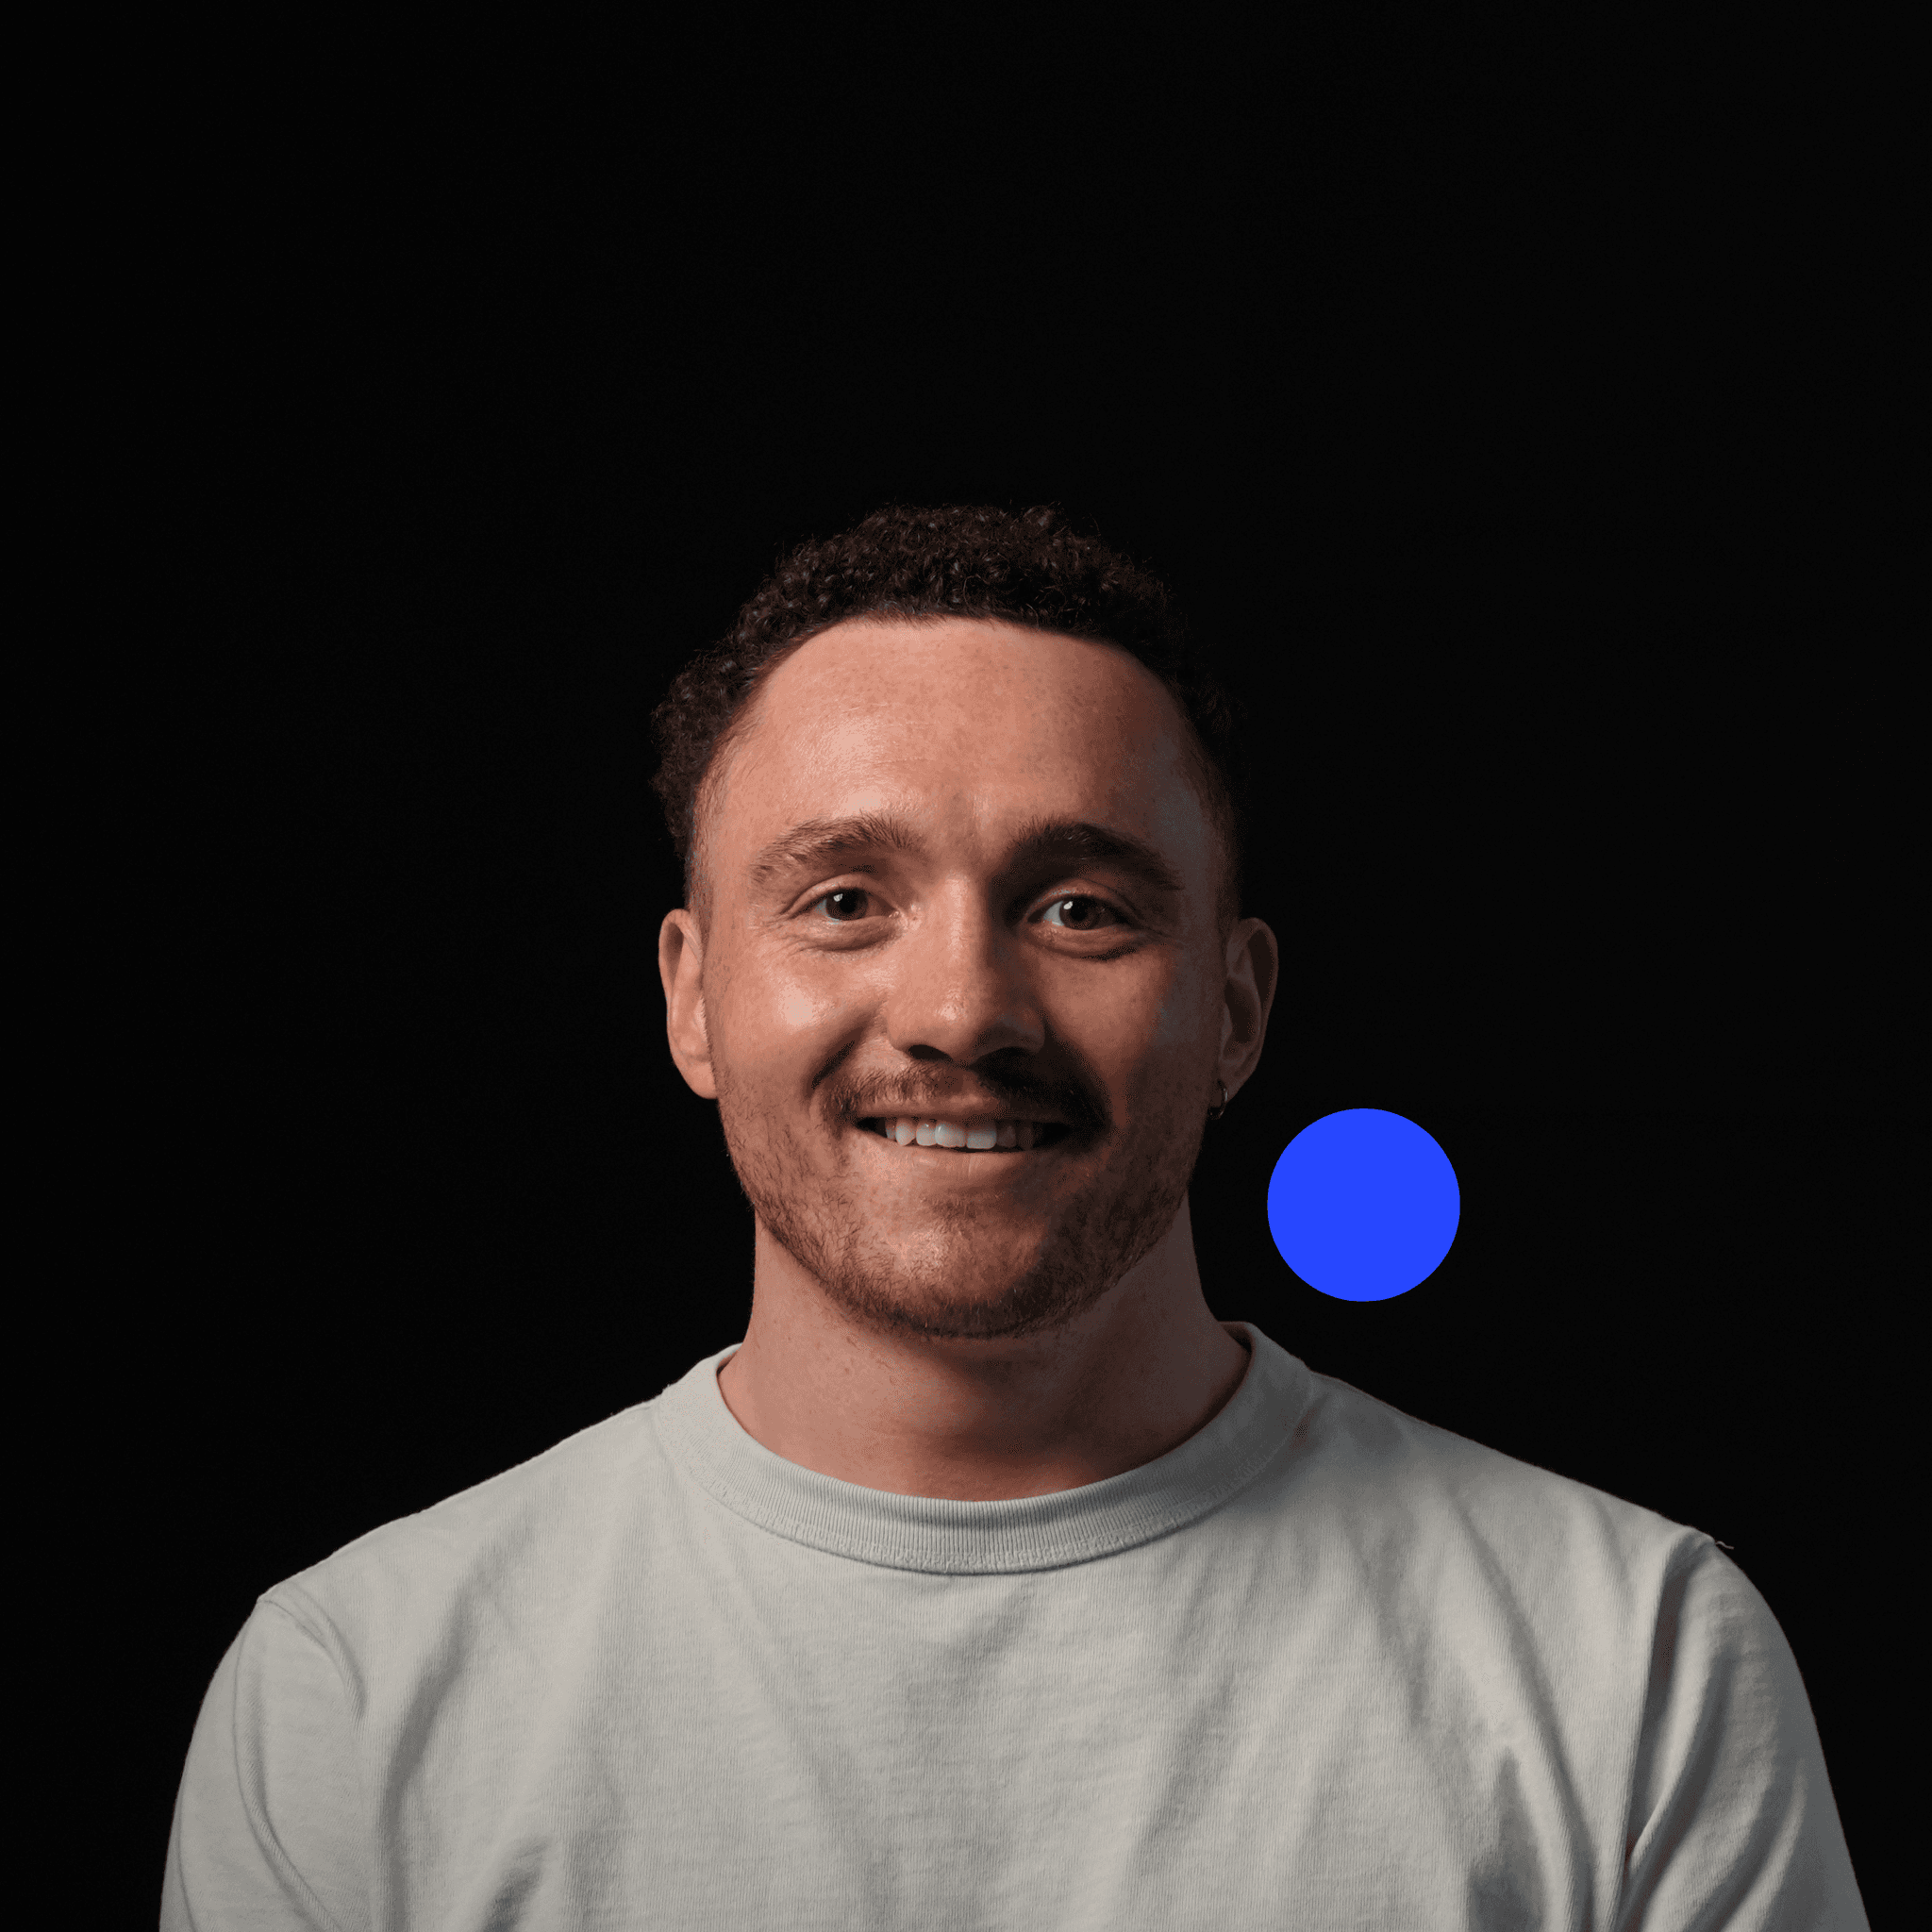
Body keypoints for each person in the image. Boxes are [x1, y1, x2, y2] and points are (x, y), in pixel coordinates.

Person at [161, 505, 1867, 1928]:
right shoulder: (356, 1694)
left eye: (1081, 907)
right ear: (691, 998)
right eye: (845, 899)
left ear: (1237, 1010)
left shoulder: (1631, 1665)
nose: (962, 1011)